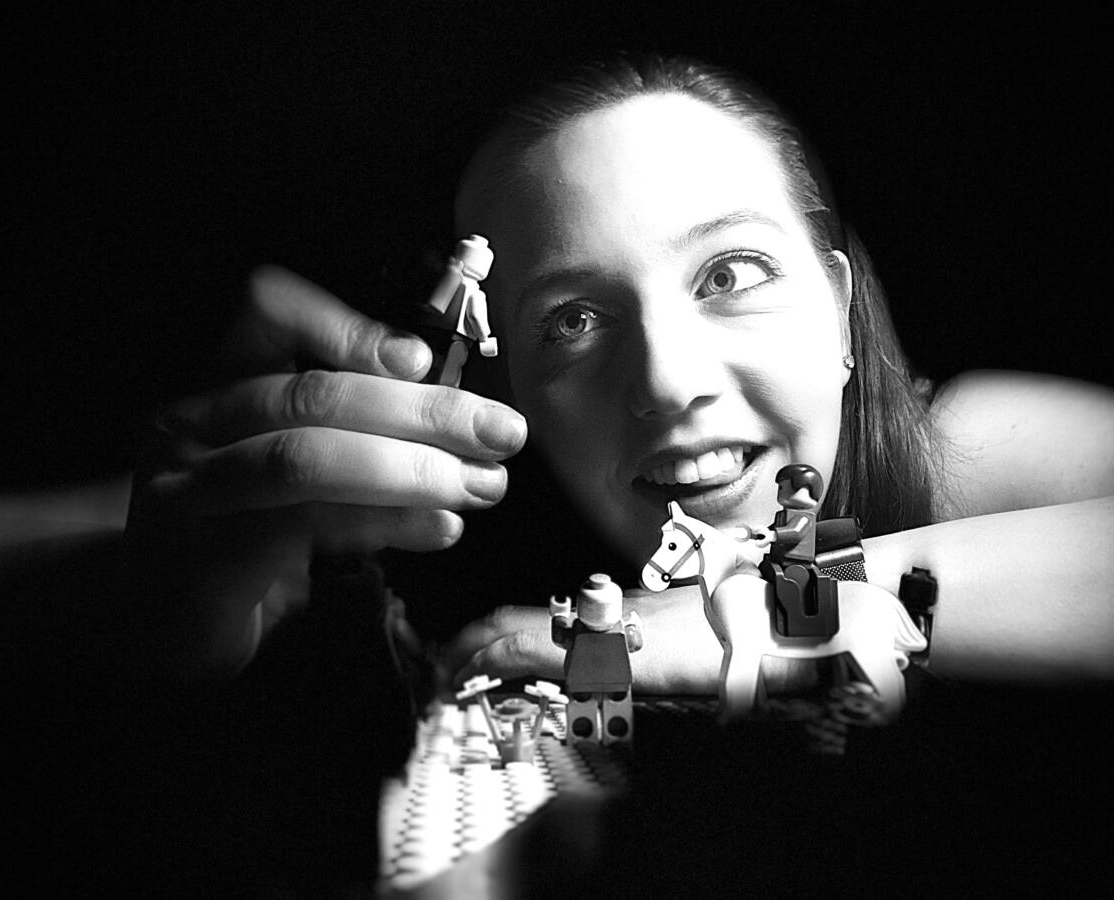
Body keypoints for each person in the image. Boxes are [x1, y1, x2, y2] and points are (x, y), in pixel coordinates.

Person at [115, 53, 1112, 693]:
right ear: (515, 400)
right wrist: (161, 642)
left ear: (842, 312)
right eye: (575, 320)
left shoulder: (967, 447)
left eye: (730, 274)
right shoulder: (515, 618)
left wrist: (761, 614)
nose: (670, 384)